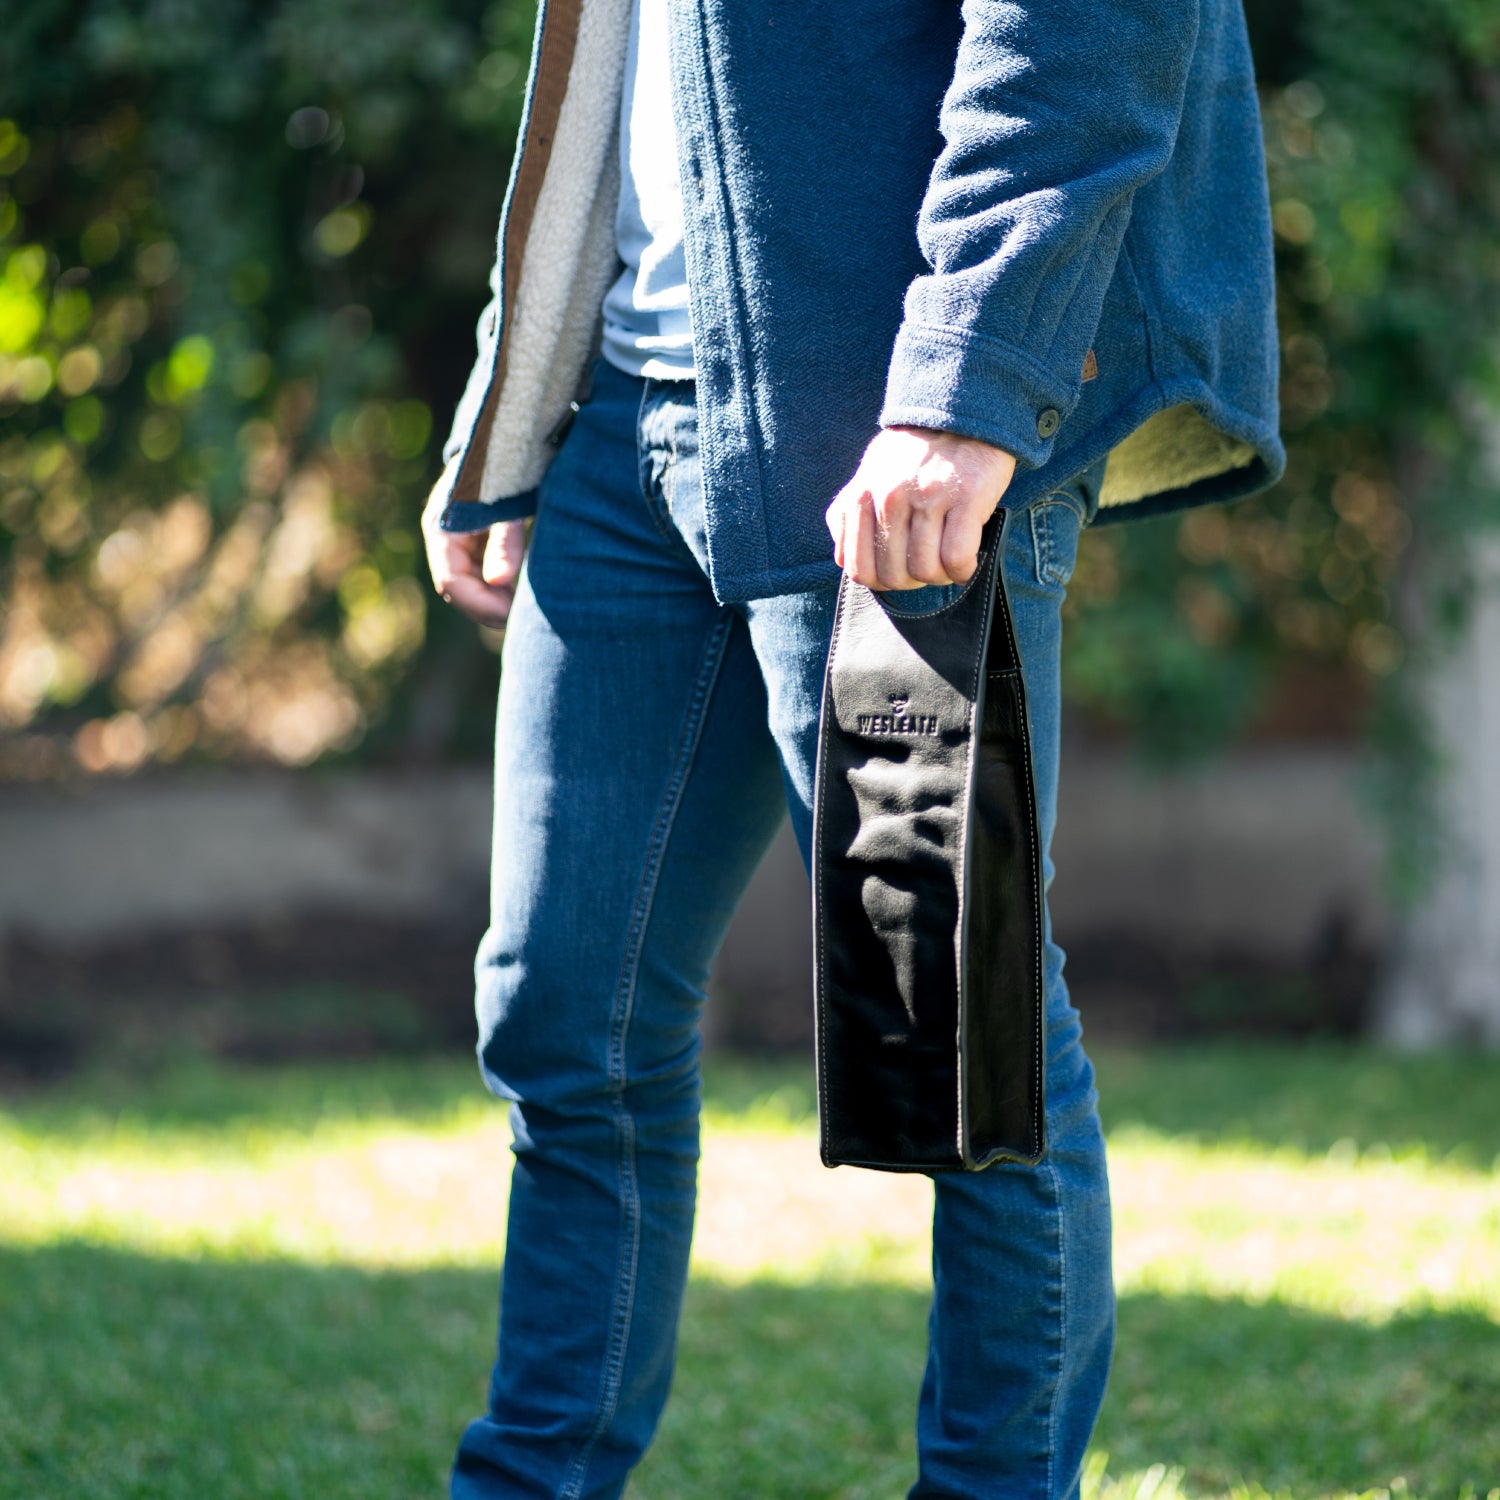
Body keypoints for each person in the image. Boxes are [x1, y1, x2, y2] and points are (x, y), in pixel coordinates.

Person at [420, 0, 1283, 1494]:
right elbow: (610, 71)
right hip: (622, 436)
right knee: (565, 1013)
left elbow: (1078, 34)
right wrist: (515, 402)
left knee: (947, 1015)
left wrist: (969, 382)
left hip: (880, 445)